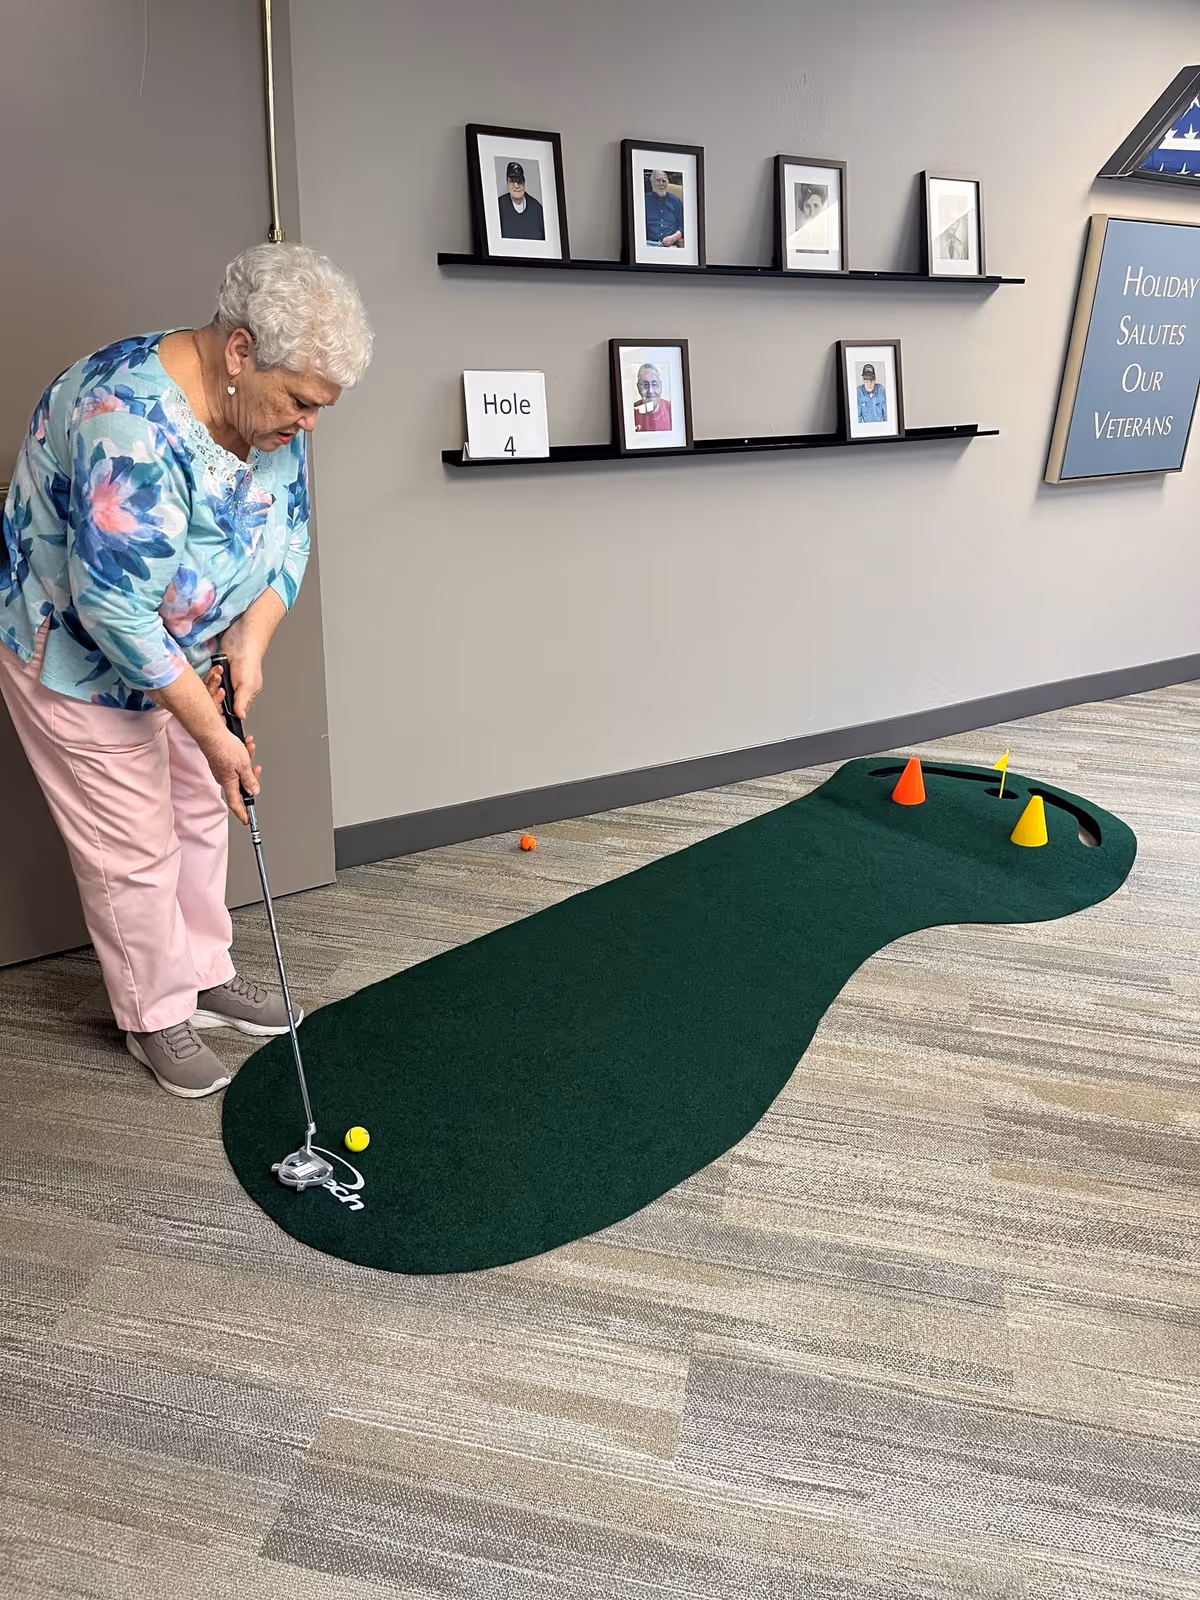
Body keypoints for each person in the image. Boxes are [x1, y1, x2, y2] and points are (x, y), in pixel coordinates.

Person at [0, 243, 373, 1098]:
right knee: (130, 845)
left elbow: (291, 536)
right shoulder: (124, 419)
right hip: (78, 652)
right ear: (240, 351)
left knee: (205, 811)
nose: (308, 424)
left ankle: (203, 970)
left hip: (189, 648)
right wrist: (212, 731)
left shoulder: (265, 413)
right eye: (303, 403)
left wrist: (250, 642)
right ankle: (155, 1011)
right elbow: (114, 612)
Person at [497, 161, 545, 240]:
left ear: (524, 183)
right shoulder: (498, 206)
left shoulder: (536, 208)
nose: (516, 186)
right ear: (507, 183)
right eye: (512, 181)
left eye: (519, 181)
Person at [644, 170, 684, 248]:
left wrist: (673, 238)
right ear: (652, 182)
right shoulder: (644, 200)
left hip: (671, 246)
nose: (661, 184)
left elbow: (682, 227)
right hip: (648, 244)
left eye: (664, 181)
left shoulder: (675, 201)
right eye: (658, 180)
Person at [633, 364, 673, 432]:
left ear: (661, 386)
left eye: (654, 384)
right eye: (645, 385)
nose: (650, 391)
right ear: (638, 387)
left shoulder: (672, 409)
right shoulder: (630, 412)